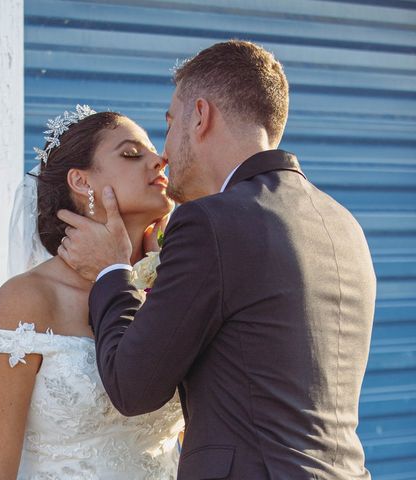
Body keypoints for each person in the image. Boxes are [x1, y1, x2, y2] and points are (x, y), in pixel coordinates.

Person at [57, 40, 376, 479]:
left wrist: (112, 270)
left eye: (169, 125)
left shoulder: (210, 222)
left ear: (201, 117)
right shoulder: (343, 224)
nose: (164, 152)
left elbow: (133, 388)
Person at [0, 107, 184, 479]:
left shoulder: (171, 288)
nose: (159, 159)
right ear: (81, 182)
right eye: (132, 154)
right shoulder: (27, 301)